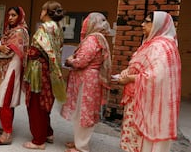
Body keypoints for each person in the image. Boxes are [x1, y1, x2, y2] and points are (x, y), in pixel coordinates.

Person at [118, 11, 181, 152]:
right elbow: (138, 65)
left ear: (158, 24)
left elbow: (156, 77)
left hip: (151, 104)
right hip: (139, 100)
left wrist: (129, 78)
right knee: (135, 139)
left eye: (147, 21)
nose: (142, 24)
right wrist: (126, 72)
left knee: (146, 141)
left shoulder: (162, 47)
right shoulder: (150, 43)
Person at [60, 12, 112, 152]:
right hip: (89, 80)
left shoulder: (92, 39)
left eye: (86, 22)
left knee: (84, 113)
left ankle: (82, 147)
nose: (84, 25)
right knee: (80, 112)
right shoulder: (99, 38)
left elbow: (81, 62)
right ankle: (79, 142)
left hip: (87, 81)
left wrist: (70, 60)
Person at [22, 1, 66, 150]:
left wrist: (26, 53)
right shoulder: (58, 29)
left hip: (38, 71)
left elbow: (34, 51)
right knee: (45, 102)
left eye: (42, 10)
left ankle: (38, 140)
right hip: (50, 70)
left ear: (47, 12)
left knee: (35, 104)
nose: (40, 13)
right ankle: (48, 133)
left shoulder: (44, 28)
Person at [0, 6, 29, 145]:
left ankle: (6, 136)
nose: (10, 17)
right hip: (6, 68)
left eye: (14, 15)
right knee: (8, 100)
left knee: (4, 100)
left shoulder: (19, 32)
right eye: (9, 15)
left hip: (11, 68)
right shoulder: (9, 31)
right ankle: (7, 129)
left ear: (20, 16)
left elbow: (7, 51)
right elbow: (0, 45)